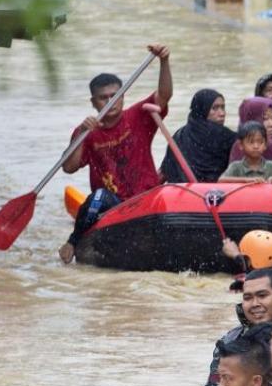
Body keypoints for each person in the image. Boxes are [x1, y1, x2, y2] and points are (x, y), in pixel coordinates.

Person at [58, 43, 173, 263]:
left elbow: (164, 95)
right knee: (99, 196)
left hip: (146, 198)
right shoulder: (87, 132)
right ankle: (73, 241)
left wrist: (164, 61)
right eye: (103, 98)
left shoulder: (139, 115)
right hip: (112, 205)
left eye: (115, 95)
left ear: (123, 97)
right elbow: (68, 167)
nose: (110, 102)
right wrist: (82, 133)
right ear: (93, 102)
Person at [159, 88, 236, 182]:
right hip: (216, 194)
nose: (222, 113)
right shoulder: (226, 136)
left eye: (223, 107)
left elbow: (163, 173)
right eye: (215, 108)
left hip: (180, 192)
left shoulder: (179, 135)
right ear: (202, 109)